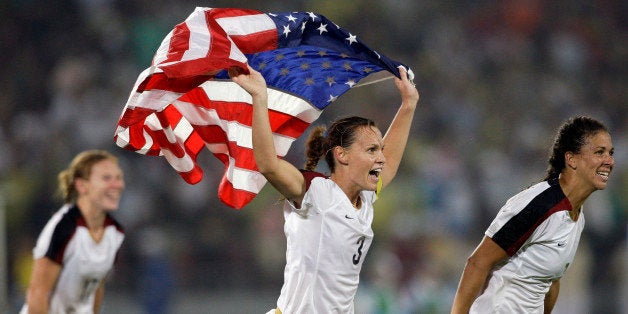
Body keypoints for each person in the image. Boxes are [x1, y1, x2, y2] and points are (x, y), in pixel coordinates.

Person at [229, 64, 419, 313]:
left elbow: (391, 162)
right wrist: (259, 98)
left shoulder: (365, 198)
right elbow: (268, 165)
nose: (381, 158)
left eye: (379, 150)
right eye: (371, 150)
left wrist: (408, 104)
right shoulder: (316, 192)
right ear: (342, 155)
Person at [451, 116, 615, 313]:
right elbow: (478, 262)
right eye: (599, 152)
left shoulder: (577, 216)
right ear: (571, 159)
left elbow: (551, 281)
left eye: (610, 153)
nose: (609, 161)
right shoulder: (539, 205)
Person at [20, 150, 126, 314]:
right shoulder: (64, 228)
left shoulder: (114, 233)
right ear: (82, 185)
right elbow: (37, 294)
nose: (117, 185)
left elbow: (97, 287)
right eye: (106, 178)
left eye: (118, 178)